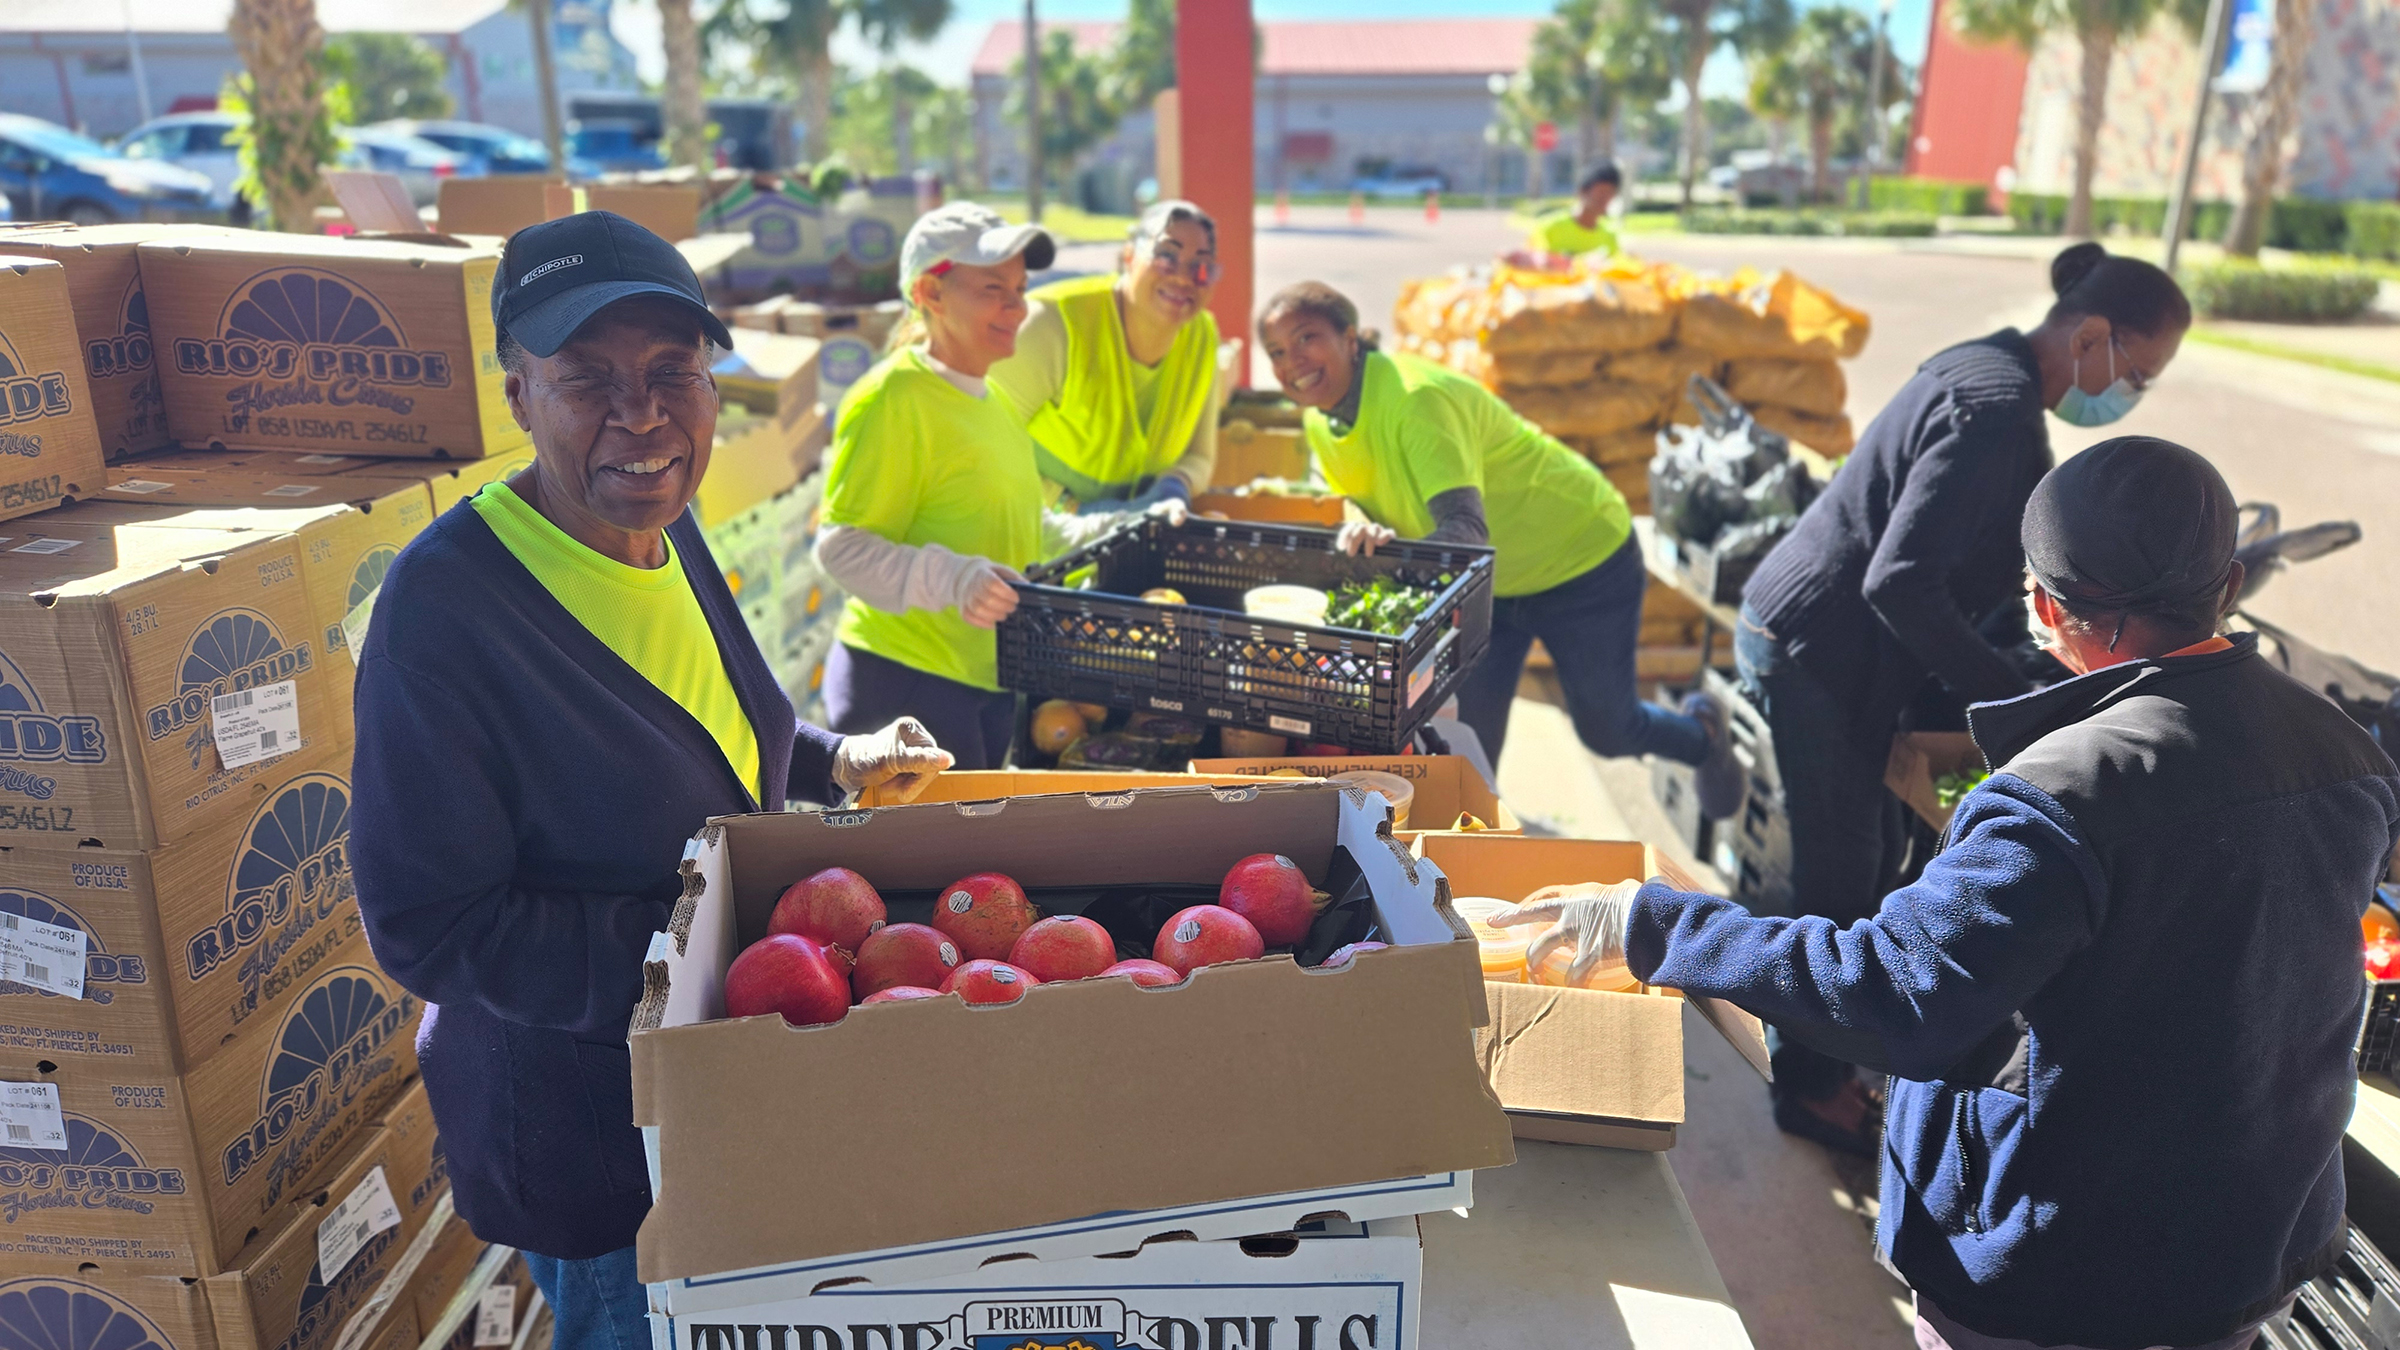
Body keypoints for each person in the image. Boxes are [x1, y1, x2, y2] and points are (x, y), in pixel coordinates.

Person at [1493, 437, 2400, 1350]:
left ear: (2045, 606)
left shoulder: (2065, 795)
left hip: (2069, 1272)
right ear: (2229, 585)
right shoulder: (2347, 751)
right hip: (2249, 1250)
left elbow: (1893, 992)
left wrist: (1654, 925)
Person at [349, 211, 954, 1350]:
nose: (641, 413)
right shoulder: (447, 613)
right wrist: (702, 959)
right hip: (593, 1146)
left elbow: (726, 734)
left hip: (721, 1097)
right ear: (520, 394)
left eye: (673, 372)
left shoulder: (665, 527)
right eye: (587, 377)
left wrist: (843, 758)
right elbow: (432, 925)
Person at [1732, 241, 2192, 1152]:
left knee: (1861, 866)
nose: (2129, 392)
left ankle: (1831, 1049)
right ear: (2091, 335)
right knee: (1839, 875)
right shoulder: (1993, 412)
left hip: (1840, 648)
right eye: (2134, 372)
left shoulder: (1989, 373)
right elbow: (1900, 581)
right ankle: (1806, 1086)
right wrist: (2019, 695)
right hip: (1817, 649)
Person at [1257, 280, 1738, 806]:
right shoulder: (1319, 420)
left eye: (1307, 339)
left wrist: (1388, 566)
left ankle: (1703, 735)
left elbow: (1465, 531)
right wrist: (1361, 526)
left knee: (1608, 729)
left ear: (1350, 339)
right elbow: (1355, 497)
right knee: (1470, 758)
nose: (1292, 362)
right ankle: (1475, 855)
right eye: (1277, 352)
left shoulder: (1417, 400)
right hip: (1488, 587)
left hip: (1579, 559)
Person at [814, 202, 1183, 770]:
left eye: (1020, 286)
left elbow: (1026, 527)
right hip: (904, 685)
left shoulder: (995, 402)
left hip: (984, 680)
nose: (1018, 307)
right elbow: (842, 548)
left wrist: (1131, 521)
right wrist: (956, 578)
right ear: (930, 295)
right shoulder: (892, 398)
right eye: (993, 288)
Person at [988, 199, 1224, 510]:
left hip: (1133, 545)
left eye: (1201, 267)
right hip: (1034, 539)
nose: (1183, 278)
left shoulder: (1202, 334)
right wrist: (1065, 508)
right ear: (1128, 256)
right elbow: (983, 448)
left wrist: (1175, 486)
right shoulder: (1051, 325)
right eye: (1166, 256)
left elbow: (1200, 456)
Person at [1527, 163, 1621, 258]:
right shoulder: (1547, 228)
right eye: (1601, 192)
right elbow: (1533, 261)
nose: (1605, 198)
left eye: (1610, 193)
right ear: (1582, 191)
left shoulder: (1609, 237)